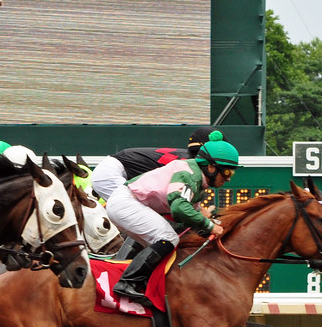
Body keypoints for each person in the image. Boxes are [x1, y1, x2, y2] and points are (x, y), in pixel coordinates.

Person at [104, 132, 241, 303]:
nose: (228, 179)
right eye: (227, 171)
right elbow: (179, 208)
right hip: (126, 203)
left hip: (127, 204)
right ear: (211, 167)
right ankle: (127, 283)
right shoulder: (190, 174)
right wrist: (209, 225)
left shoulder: (198, 180)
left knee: (164, 249)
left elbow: (191, 216)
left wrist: (212, 227)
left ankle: (141, 283)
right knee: (168, 238)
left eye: (232, 174)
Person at [91, 126, 216, 203]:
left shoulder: (188, 159)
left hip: (115, 169)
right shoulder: (187, 163)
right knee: (139, 211)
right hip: (110, 172)